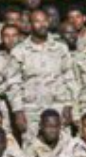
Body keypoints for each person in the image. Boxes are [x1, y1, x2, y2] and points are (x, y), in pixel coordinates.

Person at [11, 8, 75, 140]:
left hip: (58, 107)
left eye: (44, 20)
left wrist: (69, 105)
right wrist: (18, 111)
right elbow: (13, 83)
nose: (42, 24)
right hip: (31, 112)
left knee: (63, 150)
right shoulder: (19, 51)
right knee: (32, 151)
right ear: (30, 24)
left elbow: (69, 77)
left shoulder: (60, 48)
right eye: (37, 21)